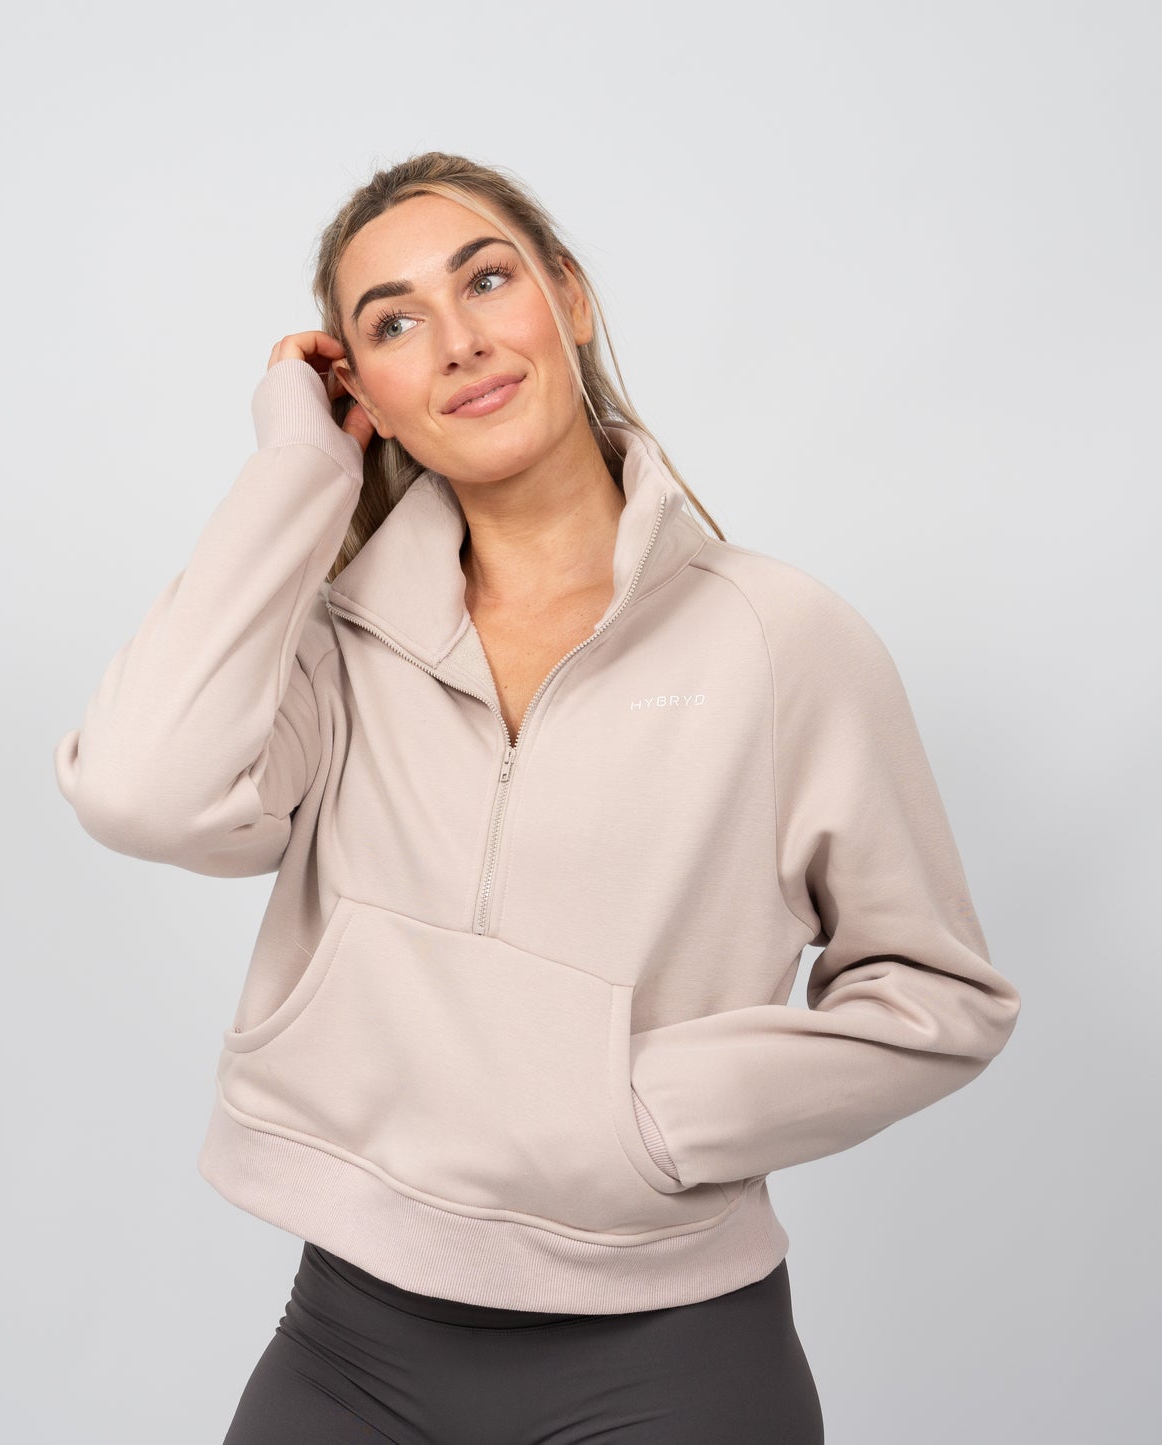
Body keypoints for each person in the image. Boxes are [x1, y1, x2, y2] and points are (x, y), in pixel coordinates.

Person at [53, 151, 1021, 1443]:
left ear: (568, 296)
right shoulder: (332, 649)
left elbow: (938, 997)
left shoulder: (782, 640)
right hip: (349, 1348)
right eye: (394, 323)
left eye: (486, 280)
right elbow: (140, 791)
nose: (457, 342)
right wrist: (295, 472)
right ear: (364, 395)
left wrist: (650, 1111)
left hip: (671, 1360)